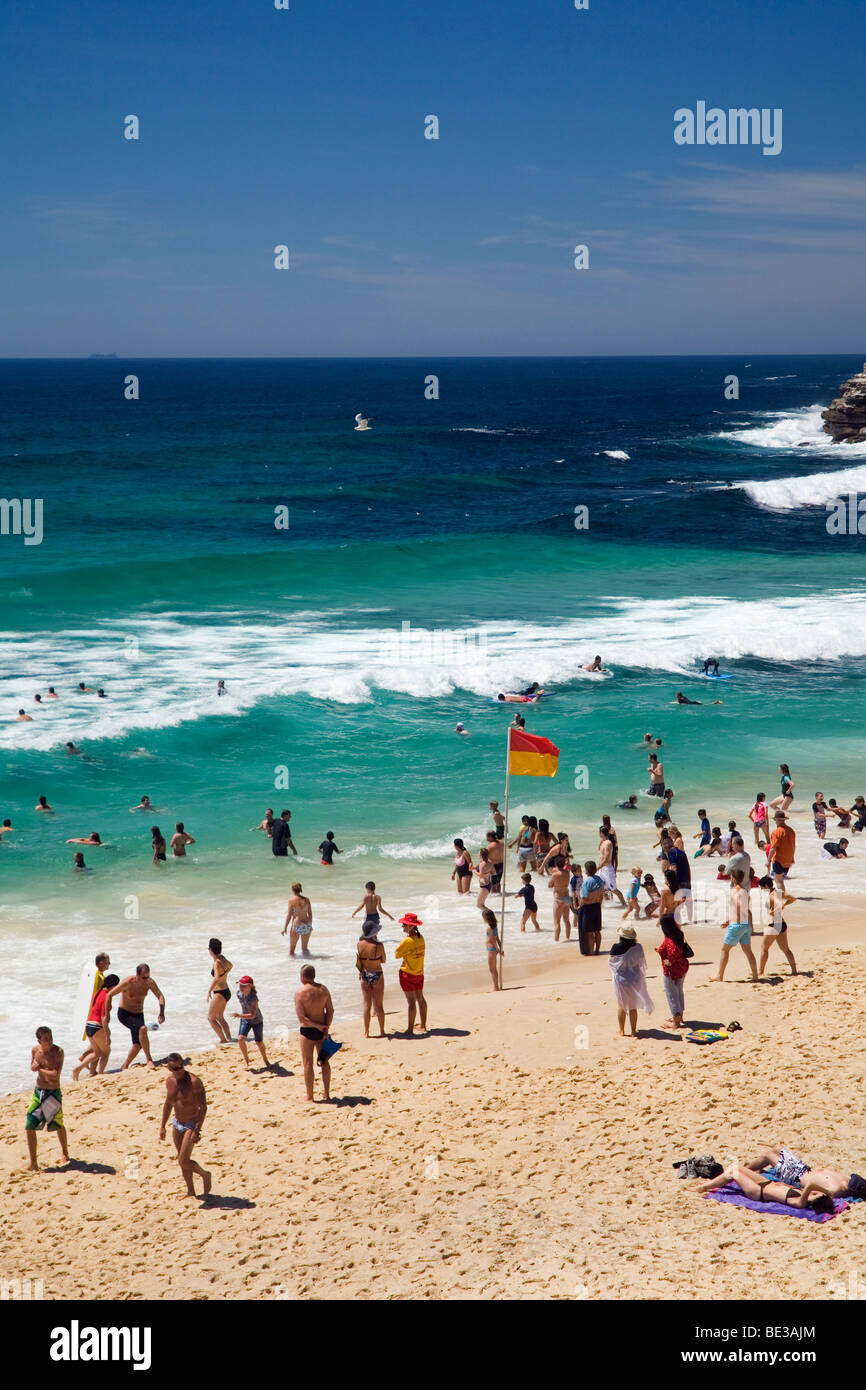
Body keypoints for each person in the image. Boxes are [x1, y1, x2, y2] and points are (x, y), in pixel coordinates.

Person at [697, 1144, 866, 1204]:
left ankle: (746, 1171)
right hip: (804, 1168)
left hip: (795, 1176)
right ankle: (747, 1171)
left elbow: (812, 1193)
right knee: (777, 1148)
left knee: (768, 1155)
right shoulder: (846, 1180)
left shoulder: (837, 1190)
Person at [159, 1054, 211, 1199]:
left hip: (191, 1124)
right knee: (183, 1162)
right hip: (177, 1123)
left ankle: (205, 1175)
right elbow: (168, 1104)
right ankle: (190, 1191)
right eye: (175, 1068)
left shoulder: (194, 1082)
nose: (179, 1070)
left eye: (181, 1066)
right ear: (168, 1068)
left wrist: (197, 1130)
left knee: (183, 1160)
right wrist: (162, 1126)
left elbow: (203, 1108)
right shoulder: (169, 1081)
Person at [104, 965, 166, 1069]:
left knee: (138, 1044)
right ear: (137, 975)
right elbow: (109, 994)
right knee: (143, 1028)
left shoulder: (149, 982)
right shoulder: (128, 983)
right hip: (125, 1013)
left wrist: (162, 1013)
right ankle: (149, 1060)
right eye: (144, 978)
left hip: (138, 1014)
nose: (146, 980)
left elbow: (160, 996)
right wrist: (107, 1014)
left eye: (148, 976)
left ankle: (125, 1065)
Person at [25, 1028, 69, 1169]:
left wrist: (39, 1069)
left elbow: (55, 1074)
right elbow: (32, 1065)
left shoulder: (58, 1052)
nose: (50, 1041)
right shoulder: (35, 1051)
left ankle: (65, 1153)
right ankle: (33, 1163)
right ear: (39, 1041)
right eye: (46, 1039)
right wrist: (34, 1067)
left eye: (50, 1037)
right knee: (29, 1126)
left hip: (53, 1093)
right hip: (38, 1092)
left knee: (57, 1125)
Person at [294, 964, 335, 1101]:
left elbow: (303, 1019)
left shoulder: (299, 993)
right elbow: (330, 1011)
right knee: (324, 1061)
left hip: (308, 1031)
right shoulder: (323, 990)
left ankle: (310, 1096)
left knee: (307, 1063)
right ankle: (327, 1094)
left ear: (303, 977)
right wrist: (325, 1027)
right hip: (322, 1029)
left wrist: (317, 1026)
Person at [712, 870, 758, 982]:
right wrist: (729, 920)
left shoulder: (734, 891)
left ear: (733, 878)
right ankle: (755, 976)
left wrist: (735, 920)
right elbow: (746, 909)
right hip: (746, 924)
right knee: (748, 951)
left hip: (737, 924)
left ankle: (719, 976)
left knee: (724, 950)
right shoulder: (745, 891)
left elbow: (738, 905)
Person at [609, 926, 654, 1037]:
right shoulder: (638, 947)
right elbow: (641, 962)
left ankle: (622, 1030)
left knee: (621, 1006)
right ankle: (633, 1031)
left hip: (621, 980)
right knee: (633, 1006)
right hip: (635, 978)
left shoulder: (616, 948)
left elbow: (612, 964)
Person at [73, 972, 119, 1079]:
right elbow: (104, 1017)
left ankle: (78, 1069)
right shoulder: (107, 996)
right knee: (106, 1052)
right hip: (98, 1026)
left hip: (89, 1025)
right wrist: (108, 1034)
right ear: (113, 985)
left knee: (97, 1052)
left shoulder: (97, 992)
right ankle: (101, 1073)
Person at [757, 876, 798, 976]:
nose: (761, 889)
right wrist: (782, 906)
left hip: (774, 924)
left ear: (766, 885)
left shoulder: (772, 895)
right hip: (782, 924)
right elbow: (793, 899)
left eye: (762, 887)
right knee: (785, 949)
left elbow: (780, 906)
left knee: (764, 948)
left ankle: (760, 971)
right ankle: (794, 971)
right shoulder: (779, 892)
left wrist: (773, 912)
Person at [394, 912, 427, 1035]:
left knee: (411, 1003)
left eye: (404, 925)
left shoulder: (407, 941)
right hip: (419, 972)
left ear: (410, 926)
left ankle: (409, 1029)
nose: (402, 927)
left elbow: (397, 955)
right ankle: (423, 1025)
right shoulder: (421, 938)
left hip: (407, 973)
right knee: (421, 999)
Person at [657, 917, 692, 1028]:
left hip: (671, 970)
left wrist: (669, 961)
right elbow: (677, 950)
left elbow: (673, 951)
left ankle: (676, 1022)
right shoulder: (678, 935)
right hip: (682, 967)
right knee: (679, 992)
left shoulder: (669, 939)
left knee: (672, 995)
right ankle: (679, 1017)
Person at [356, 920, 387, 1038]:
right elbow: (383, 960)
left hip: (365, 974)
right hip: (377, 974)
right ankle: (382, 1031)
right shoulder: (379, 945)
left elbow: (359, 962)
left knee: (366, 1005)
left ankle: (367, 1032)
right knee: (379, 1005)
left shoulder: (359, 944)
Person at [233, 975, 271, 1069]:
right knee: (240, 1039)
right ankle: (246, 1060)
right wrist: (241, 1016)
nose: (241, 988)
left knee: (259, 1042)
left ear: (250, 986)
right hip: (245, 1020)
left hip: (257, 1021)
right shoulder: (238, 993)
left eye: (244, 986)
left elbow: (253, 1015)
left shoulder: (254, 998)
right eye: (240, 985)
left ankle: (265, 1059)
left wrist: (239, 1015)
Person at [206, 938, 233, 1043]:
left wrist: (209, 990)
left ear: (211, 950)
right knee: (220, 1017)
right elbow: (230, 966)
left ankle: (223, 1040)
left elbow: (216, 978)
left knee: (211, 1018)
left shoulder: (216, 962)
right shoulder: (222, 958)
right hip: (226, 990)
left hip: (220, 992)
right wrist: (224, 975)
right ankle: (229, 1038)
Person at [577, 861, 605, 954]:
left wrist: (579, 907)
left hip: (588, 908)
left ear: (587, 871)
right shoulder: (600, 880)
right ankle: (597, 950)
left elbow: (584, 898)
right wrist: (599, 904)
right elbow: (601, 894)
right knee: (597, 931)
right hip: (597, 906)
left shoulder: (586, 882)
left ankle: (591, 951)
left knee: (589, 932)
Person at [282, 881, 314, 956]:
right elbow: (310, 914)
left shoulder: (291, 901)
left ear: (292, 890)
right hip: (307, 925)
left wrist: (285, 928)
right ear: (300, 889)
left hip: (296, 925)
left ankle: (291, 965)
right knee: (305, 949)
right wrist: (310, 925)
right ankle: (309, 962)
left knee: (291, 951)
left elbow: (289, 915)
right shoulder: (307, 900)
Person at [768, 810, 796, 891]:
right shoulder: (791, 830)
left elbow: (773, 848)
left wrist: (768, 860)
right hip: (788, 860)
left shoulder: (776, 832)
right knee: (781, 880)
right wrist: (792, 858)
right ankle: (782, 896)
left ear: (776, 820)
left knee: (778, 881)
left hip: (778, 860)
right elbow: (793, 846)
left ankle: (782, 898)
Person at [597, 830, 626, 907]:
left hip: (607, 869)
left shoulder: (608, 843)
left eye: (599, 832)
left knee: (613, 889)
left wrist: (597, 868)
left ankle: (624, 904)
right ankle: (602, 906)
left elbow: (606, 859)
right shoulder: (603, 842)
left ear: (601, 833)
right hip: (602, 869)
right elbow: (599, 851)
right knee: (601, 887)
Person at [549, 856, 573, 941]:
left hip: (558, 899)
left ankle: (556, 940)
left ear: (556, 864)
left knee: (556, 922)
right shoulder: (567, 873)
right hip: (567, 898)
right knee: (566, 920)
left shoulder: (555, 874)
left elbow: (549, 885)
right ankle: (567, 938)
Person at [482, 907, 504, 990]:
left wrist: (498, 950)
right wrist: (500, 949)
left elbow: (493, 940)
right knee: (494, 969)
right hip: (493, 949)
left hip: (491, 949)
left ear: (486, 918)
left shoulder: (489, 928)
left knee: (492, 969)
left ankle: (496, 987)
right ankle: (496, 986)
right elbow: (498, 939)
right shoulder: (495, 927)